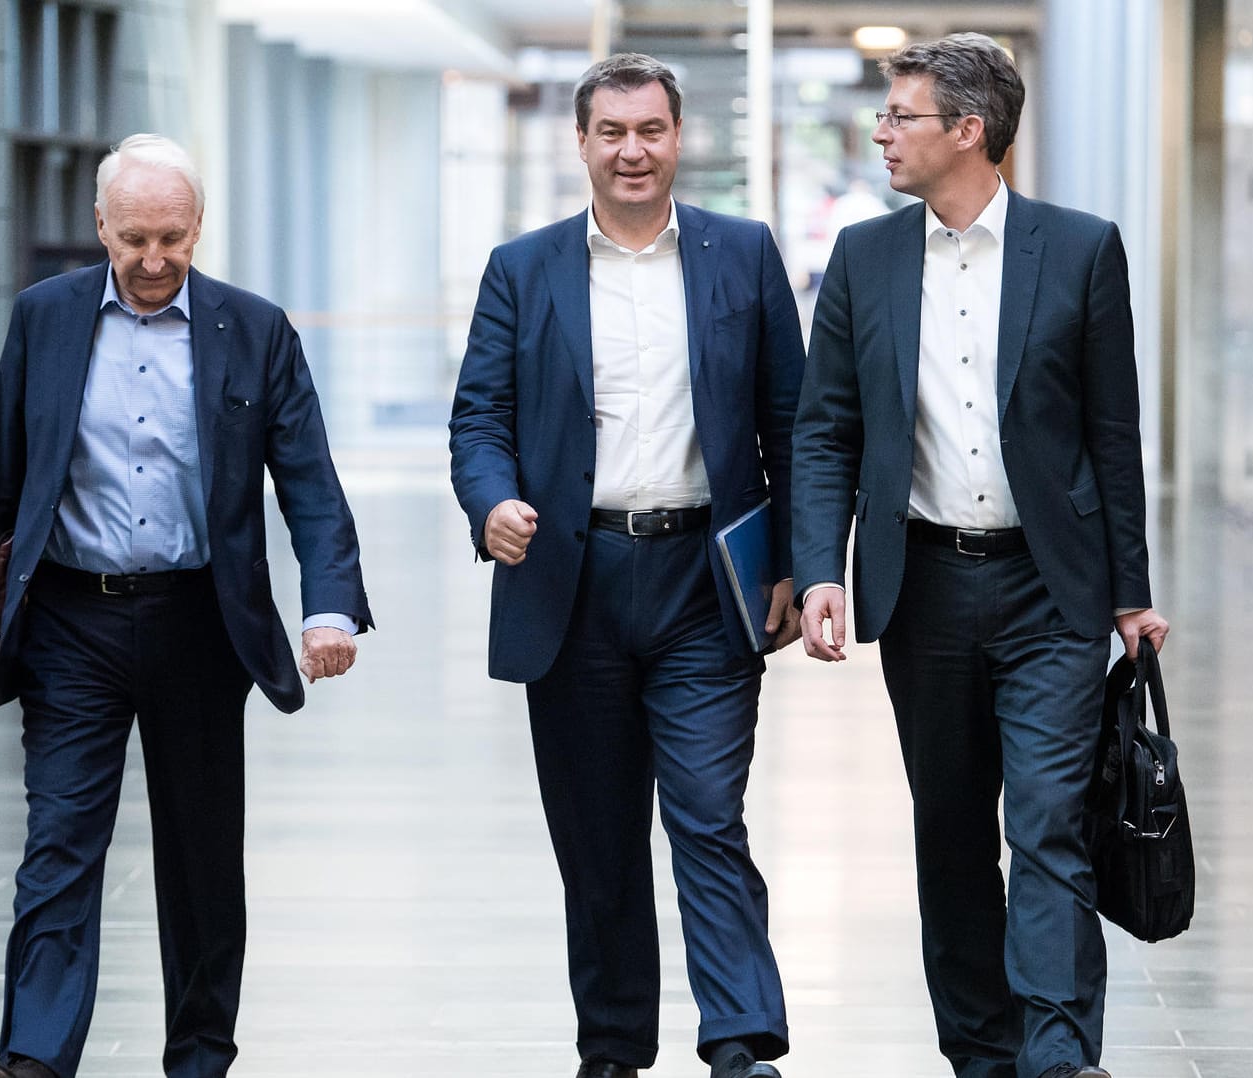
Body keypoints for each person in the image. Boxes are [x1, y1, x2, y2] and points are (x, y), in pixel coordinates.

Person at [791, 33, 1170, 1078]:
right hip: (923, 586)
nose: (879, 132)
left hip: (1050, 587)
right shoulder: (865, 259)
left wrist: (1129, 593)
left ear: (968, 129)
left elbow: (1111, 432)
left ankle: (1057, 1053)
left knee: (1047, 821)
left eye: (899, 115)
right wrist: (822, 566)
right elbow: (824, 429)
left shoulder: (1081, 247)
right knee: (951, 832)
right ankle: (980, 1052)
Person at [0, 133, 372, 1078]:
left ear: (199, 228)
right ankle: (33, 1056)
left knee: (200, 855)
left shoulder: (255, 327)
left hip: (201, 620)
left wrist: (330, 608)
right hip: (74, 619)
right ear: (100, 227)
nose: (154, 261)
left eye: (174, 239)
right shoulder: (45, 318)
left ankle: (198, 1053)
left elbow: (308, 482)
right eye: (135, 240)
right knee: (59, 841)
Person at [448, 53, 803, 1078]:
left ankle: (739, 1039)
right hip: (574, 580)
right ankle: (610, 1045)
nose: (632, 150)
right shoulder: (524, 268)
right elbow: (479, 417)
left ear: (678, 137)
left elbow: (791, 417)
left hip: (705, 577)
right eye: (612, 132)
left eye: (649, 130)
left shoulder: (740, 254)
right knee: (597, 841)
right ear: (583, 142)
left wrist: (795, 560)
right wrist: (491, 502)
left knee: (706, 814)